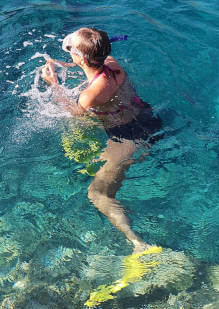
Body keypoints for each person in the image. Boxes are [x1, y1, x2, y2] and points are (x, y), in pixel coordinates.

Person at [41, 27, 162, 253]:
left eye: (71, 52)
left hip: (127, 139)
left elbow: (74, 114)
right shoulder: (114, 65)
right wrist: (69, 63)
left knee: (97, 195)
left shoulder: (88, 96)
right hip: (149, 120)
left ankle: (140, 244)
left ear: (82, 58)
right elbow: (96, 65)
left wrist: (54, 84)